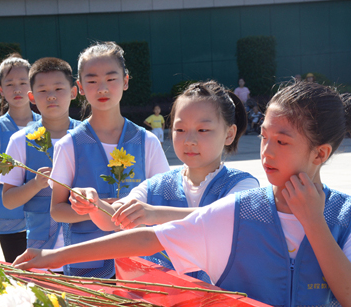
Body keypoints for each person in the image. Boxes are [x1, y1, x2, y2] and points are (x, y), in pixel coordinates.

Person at [14, 82, 351, 307]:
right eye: (265, 137)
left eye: (282, 141)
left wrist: (312, 221)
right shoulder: (242, 211)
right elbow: (147, 239)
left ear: (320, 154)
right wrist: (49, 256)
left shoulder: (347, 216)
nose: (267, 152)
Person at [68, 81, 259, 282]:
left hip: (223, 305)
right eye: (180, 130)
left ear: (229, 134)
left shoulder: (244, 186)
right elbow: (112, 218)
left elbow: (221, 219)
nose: (189, 140)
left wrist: (154, 214)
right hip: (162, 303)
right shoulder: (156, 186)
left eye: (203, 130)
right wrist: (94, 204)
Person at [49, 41, 170, 278]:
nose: (102, 88)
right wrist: (93, 208)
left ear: (125, 81)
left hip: (141, 266)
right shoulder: (69, 145)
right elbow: (57, 210)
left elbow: (163, 201)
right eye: (92, 81)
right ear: (80, 87)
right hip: (87, 265)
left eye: (111, 79)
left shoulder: (147, 142)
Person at [0, 57, 81, 268]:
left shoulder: (89, 136)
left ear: (73, 92)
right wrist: (35, 184)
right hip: (42, 250)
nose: (51, 96)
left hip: (86, 247)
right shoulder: (20, 141)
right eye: (42, 91)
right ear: (32, 97)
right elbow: (8, 200)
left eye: (59, 88)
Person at [0, 54, 40, 262]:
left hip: (46, 219)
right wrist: (11, 169)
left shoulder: (48, 124)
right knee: (21, 282)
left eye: (23, 83)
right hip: (11, 222)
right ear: (0, 89)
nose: (17, 89)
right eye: (10, 84)